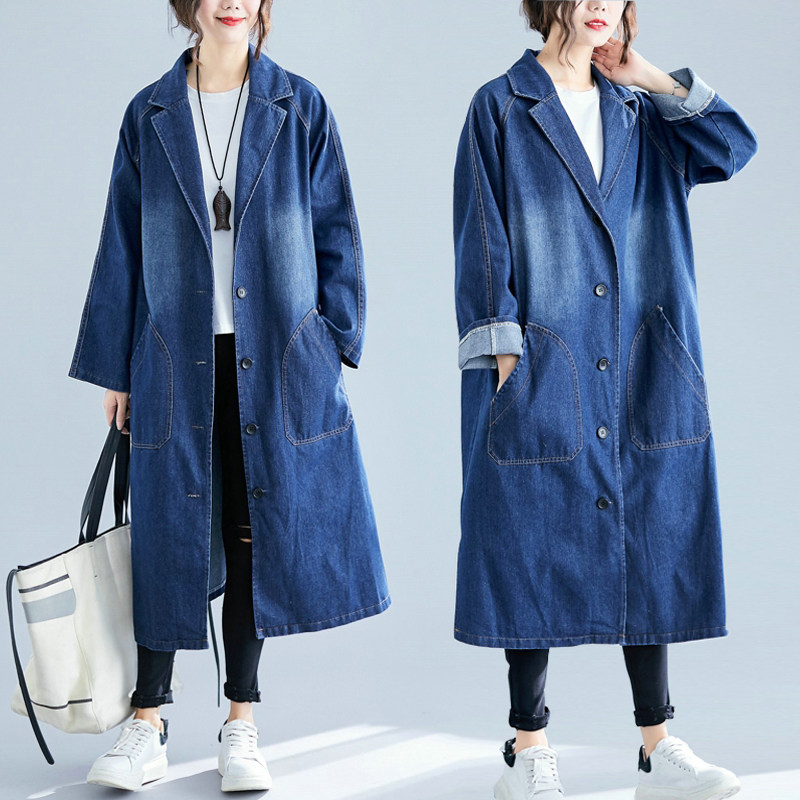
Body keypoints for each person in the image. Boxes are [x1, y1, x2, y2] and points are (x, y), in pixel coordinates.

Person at [69, 0, 390, 791]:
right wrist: (115, 367)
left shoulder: (299, 105)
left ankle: (241, 721)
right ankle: (148, 722)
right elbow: (120, 242)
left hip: (274, 355)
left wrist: (331, 343)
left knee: (255, 530)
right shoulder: (150, 113)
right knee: (165, 530)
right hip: (173, 355)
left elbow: (338, 231)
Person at [452, 2, 757, 798]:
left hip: (642, 358)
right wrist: (505, 350)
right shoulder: (502, 106)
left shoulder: (641, 110)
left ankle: (657, 747)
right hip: (543, 354)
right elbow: (480, 231)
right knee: (526, 535)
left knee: (648, 530)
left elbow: (733, 147)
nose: (600, 5)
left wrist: (650, 77)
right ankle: (528, 748)